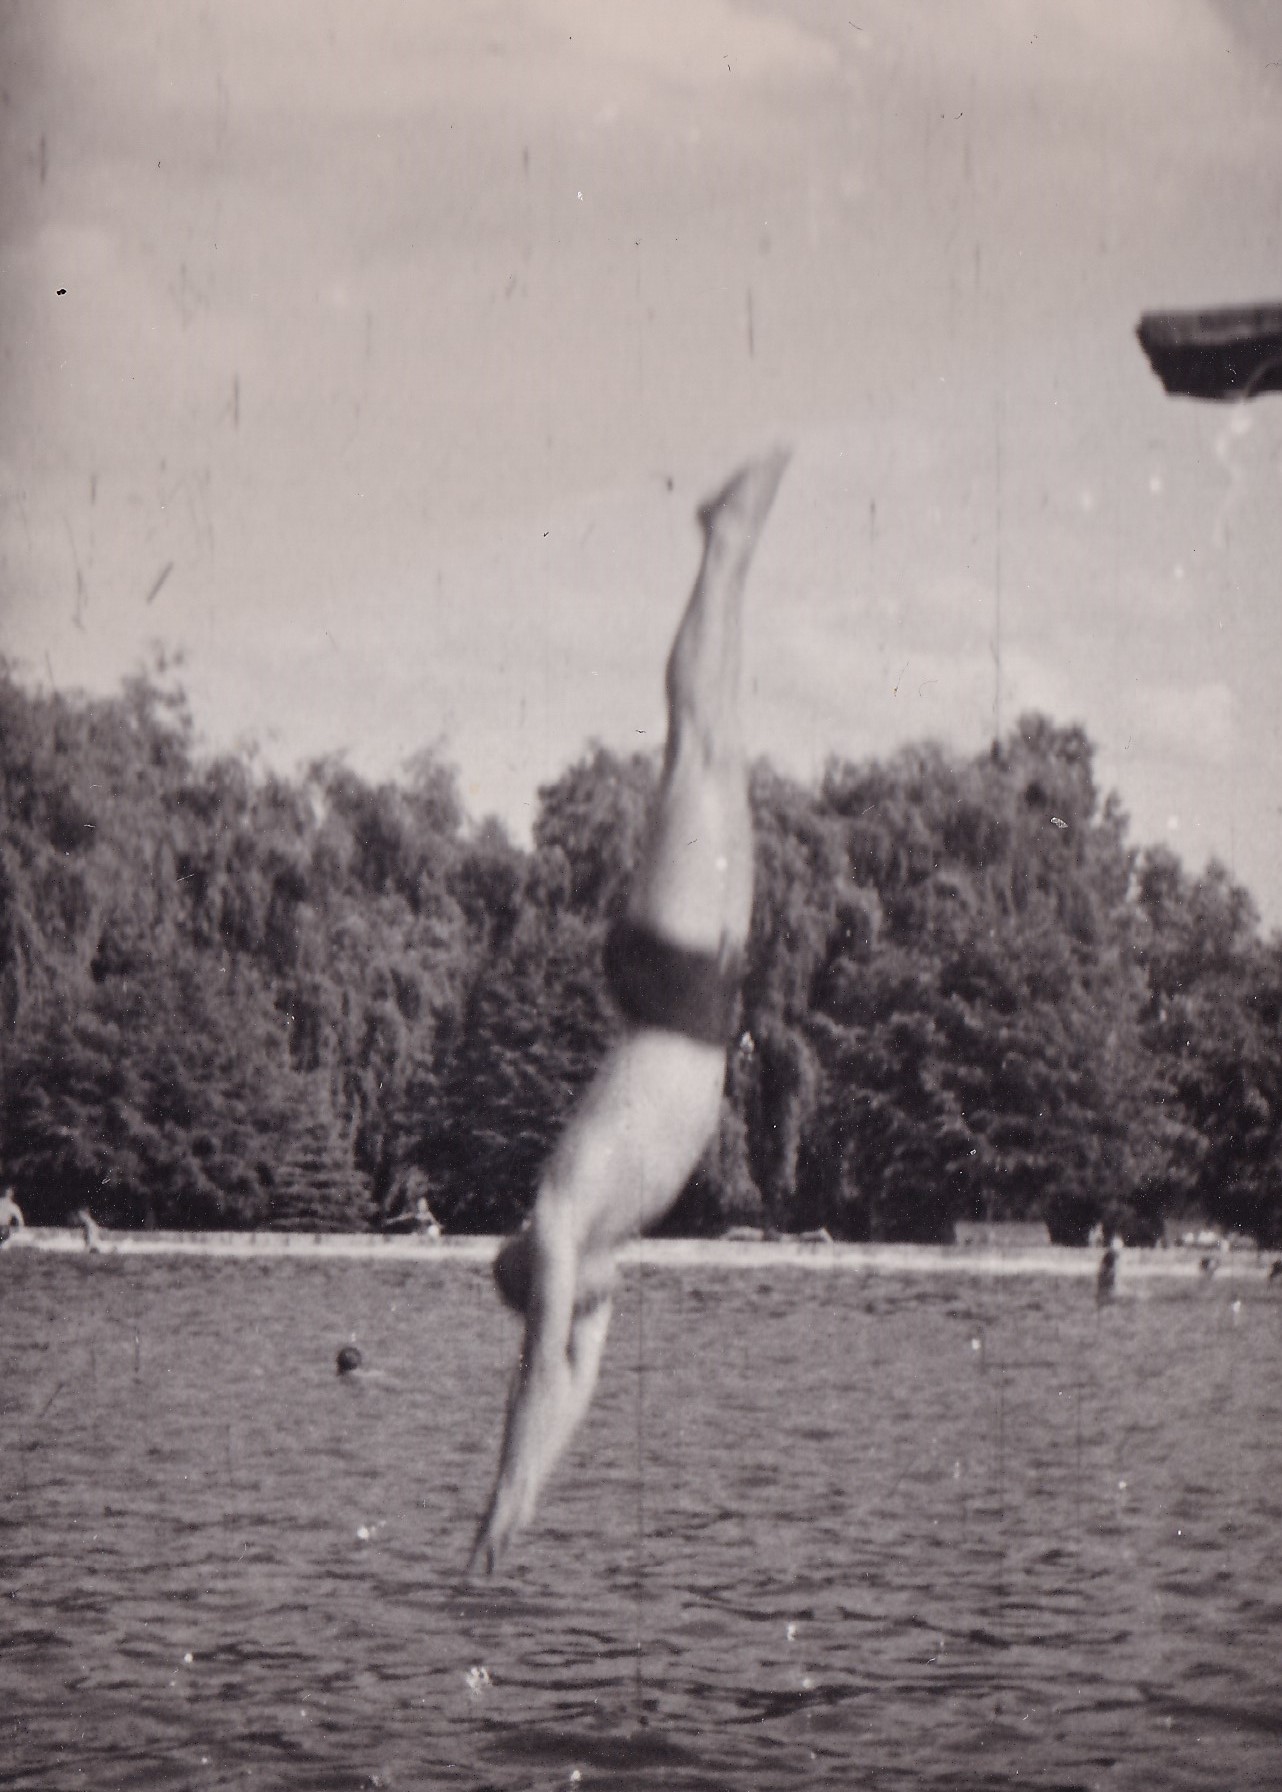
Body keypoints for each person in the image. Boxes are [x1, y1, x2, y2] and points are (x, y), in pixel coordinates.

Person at [469, 449, 789, 1574]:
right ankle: (733, 555)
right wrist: (533, 1493)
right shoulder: (599, 1249)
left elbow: (540, 1375)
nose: (591, 1316)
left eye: (569, 1306)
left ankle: (723, 542)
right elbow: (573, 1388)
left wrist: (505, 1481)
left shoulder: (565, 1219)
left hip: (669, 983)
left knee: (695, 744)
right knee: (726, 751)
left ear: (541, 1276)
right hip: (705, 996)